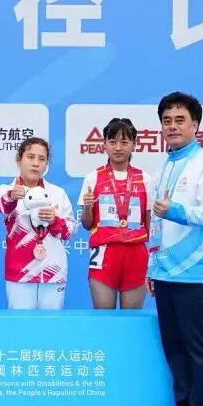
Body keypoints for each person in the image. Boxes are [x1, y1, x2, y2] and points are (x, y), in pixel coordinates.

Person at [147, 92, 203, 406]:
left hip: (198, 275)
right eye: (166, 120)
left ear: (195, 125)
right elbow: (156, 225)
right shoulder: (163, 167)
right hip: (166, 274)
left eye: (179, 120)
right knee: (175, 348)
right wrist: (152, 266)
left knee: (201, 349)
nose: (172, 126)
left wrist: (176, 211)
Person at [0, 138, 76, 310]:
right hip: (20, 272)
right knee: (21, 323)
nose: (36, 163)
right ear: (19, 159)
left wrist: (54, 221)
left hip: (53, 271)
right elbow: (1, 208)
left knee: (51, 323)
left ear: (47, 164)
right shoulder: (7, 191)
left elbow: (69, 231)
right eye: (30, 157)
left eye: (42, 159)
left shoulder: (57, 193)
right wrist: (12, 196)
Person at [80, 117, 151, 310]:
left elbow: (149, 223)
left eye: (124, 142)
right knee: (104, 319)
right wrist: (87, 207)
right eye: (112, 142)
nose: (118, 147)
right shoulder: (93, 177)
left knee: (131, 320)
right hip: (104, 254)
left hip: (136, 254)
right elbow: (87, 224)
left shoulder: (145, 179)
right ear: (104, 144)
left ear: (134, 144)